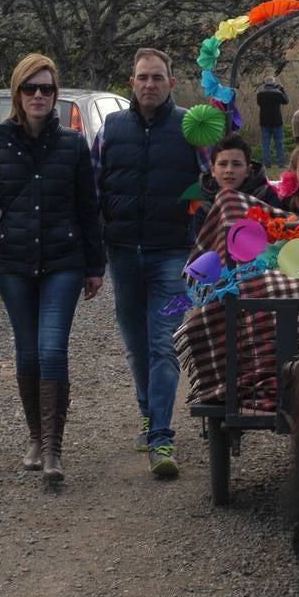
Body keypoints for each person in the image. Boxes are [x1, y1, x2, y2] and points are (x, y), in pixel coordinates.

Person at [0, 53, 105, 484]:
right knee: (27, 351)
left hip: (63, 260)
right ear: (17, 93)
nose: (39, 96)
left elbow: (87, 208)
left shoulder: (74, 144)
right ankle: (36, 437)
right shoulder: (1, 140)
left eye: (47, 89)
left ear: (56, 96)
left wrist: (95, 266)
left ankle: (55, 449)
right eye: (30, 88)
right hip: (13, 262)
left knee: (52, 349)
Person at [94, 48, 202, 479]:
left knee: (163, 342)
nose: (150, 84)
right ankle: (146, 411)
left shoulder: (191, 129)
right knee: (136, 342)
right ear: (132, 82)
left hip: (174, 256)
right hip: (124, 254)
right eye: (143, 78)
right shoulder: (111, 128)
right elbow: (95, 189)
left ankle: (161, 436)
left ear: (171, 83)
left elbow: (211, 187)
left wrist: (202, 245)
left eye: (158, 77)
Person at [192, 134, 279, 236]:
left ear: (248, 170)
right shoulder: (204, 205)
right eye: (223, 164)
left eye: (236, 164)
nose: (229, 170)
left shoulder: (266, 196)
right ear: (212, 170)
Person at [255, 76, 289, 168]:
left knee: (265, 144)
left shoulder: (260, 94)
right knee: (279, 143)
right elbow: (286, 101)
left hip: (264, 122)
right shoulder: (277, 93)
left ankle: (267, 164)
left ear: (265, 83)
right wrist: (282, 90)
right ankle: (281, 164)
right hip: (277, 122)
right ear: (273, 83)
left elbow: (259, 103)